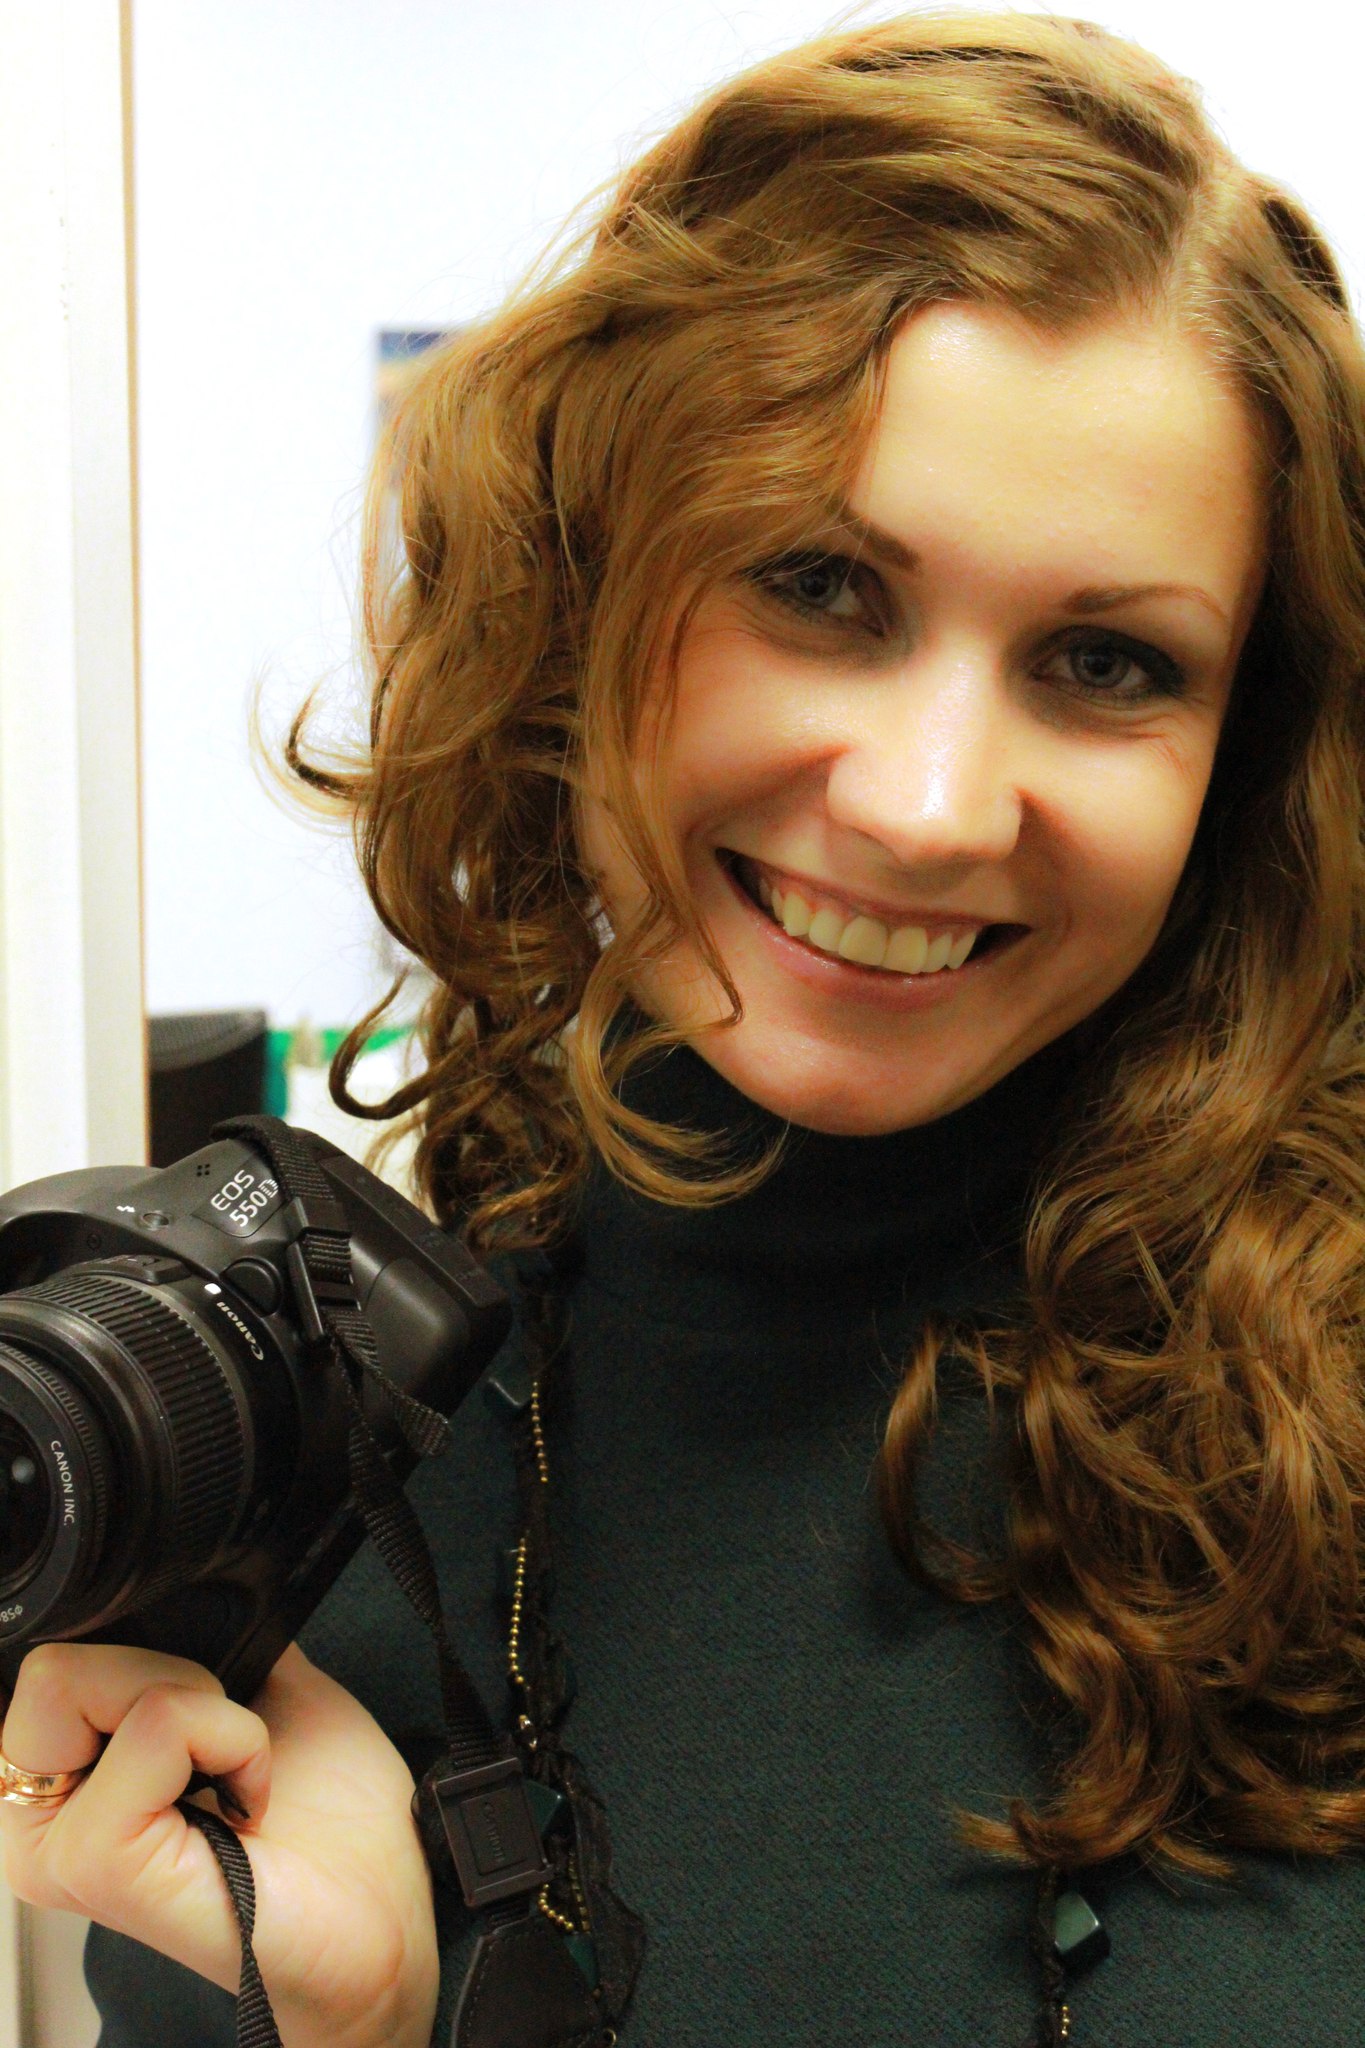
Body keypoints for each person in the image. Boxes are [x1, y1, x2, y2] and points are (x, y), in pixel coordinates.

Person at [4, 10, 1365, 2045]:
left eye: (1104, 662)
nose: (926, 805)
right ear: (572, 596)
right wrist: (379, 2024)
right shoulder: (308, 1525)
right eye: (817, 584)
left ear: (1237, 758)